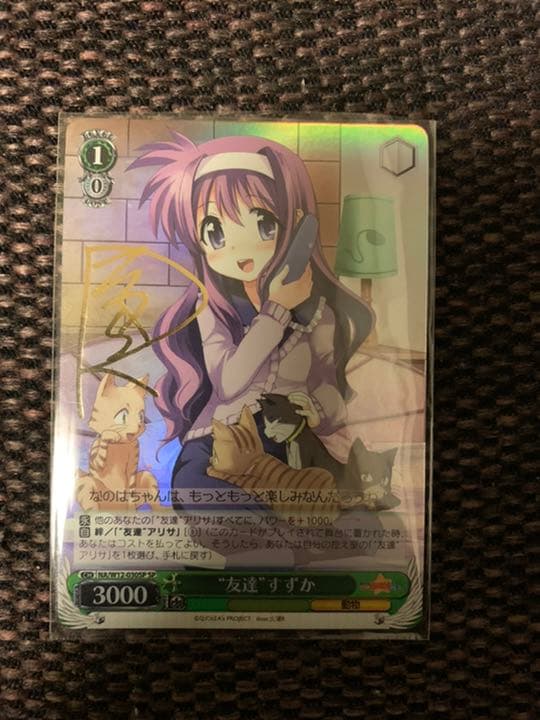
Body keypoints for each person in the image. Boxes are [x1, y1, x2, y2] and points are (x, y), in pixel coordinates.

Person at [130, 132, 373, 513]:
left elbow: (330, 384)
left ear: (296, 224)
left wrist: (319, 408)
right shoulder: (212, 309)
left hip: (289, 441)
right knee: (198, 490)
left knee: (334, 499)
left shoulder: (320, 312)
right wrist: (274, 311)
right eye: (215, 232)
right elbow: (229, 383)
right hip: (223, 442)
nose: (239, 249)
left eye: (262, 223)